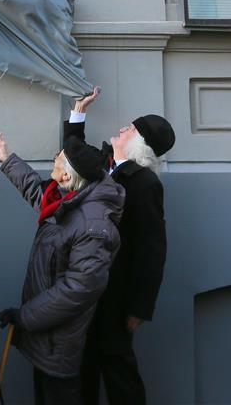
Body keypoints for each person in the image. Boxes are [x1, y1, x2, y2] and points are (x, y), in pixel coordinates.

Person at [0, 133, 124, 405]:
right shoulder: (68, 199)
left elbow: (78, 289)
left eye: (58, 161)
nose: (53, 161)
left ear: (67, 177)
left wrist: (25, 316)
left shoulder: (93, 224)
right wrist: (6, 157)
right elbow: (38, 192)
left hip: (58, 341)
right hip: (45, 333)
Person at [64, 87, 172, 405]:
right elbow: (73, 150)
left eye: (131, 128)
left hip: (116, 294)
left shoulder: (144, 182)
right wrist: (78, 112)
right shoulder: (103, 164)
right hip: (86, 285)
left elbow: (151, 248)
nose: (123, 128)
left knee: (118, 371)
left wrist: (140, 307)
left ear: (139, 143)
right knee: (82, 366)